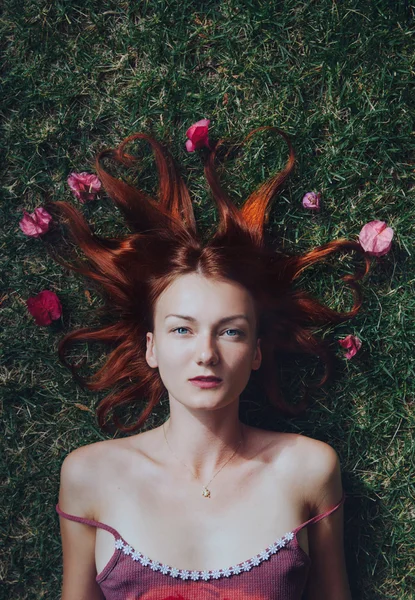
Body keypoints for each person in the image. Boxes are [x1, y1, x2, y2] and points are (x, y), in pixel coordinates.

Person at [53, 126, 370, 600]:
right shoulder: (89, 475)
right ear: (152, 348)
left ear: (257, 351)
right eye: (182, 329)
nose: (206, 353)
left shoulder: (308, 468)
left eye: (231, 331)